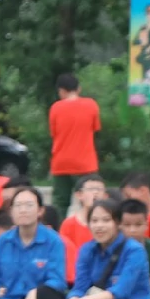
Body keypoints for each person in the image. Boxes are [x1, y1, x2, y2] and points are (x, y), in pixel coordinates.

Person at [52, 199, 150, 299]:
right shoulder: (87, 249)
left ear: (117, 223)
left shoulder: (134, 250)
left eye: (106, 220)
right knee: (46, 293)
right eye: (94, 221)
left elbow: (120, 292)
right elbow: (80, 287)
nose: (99, 226)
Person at [47, 72, 100, 212]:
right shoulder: (91, 105)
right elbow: (95, 129)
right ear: (79, 88)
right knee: (90, 202)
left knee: (60, 203)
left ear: (61, 91)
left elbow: (54, 134)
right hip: (85, 164)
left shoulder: (55, 108)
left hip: (61, 163)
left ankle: (58, 226)